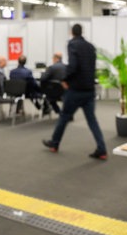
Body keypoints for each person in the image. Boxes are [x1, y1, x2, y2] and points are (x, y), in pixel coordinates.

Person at [42, 24, 107, 160]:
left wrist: (65, 79)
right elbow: (91, 67)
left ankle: (54, 143)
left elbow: (73, 66)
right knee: (92, 121)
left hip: (76, 90)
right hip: (89, 89)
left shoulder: (72, 45)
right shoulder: (90, 47)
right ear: (81, 32)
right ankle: (102, 149)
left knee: (64, 116)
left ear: (72, 33)